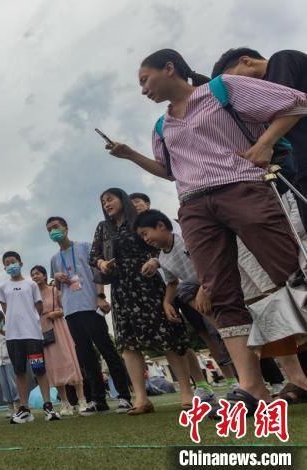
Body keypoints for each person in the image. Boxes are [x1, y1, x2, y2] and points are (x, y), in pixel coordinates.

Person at [105, 48, 307, 409]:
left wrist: (264, 144)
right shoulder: (161, 126)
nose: (143, 90)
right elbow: (169, 170)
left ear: (170, 68)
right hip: (194, 206)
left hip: (242, 187)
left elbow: (295, 102)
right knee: (223, 292)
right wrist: (131, 155)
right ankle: (252, 387)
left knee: (290, 272)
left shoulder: (222, 89)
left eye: (145, 79)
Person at [90, 188, 193, 414]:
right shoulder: (103, 227)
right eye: (103, 202)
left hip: (148, 282)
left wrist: (155, 261)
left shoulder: (139, 220)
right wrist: (102, 264)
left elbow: (161, 246)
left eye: (110, 199)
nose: (106, 204)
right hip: (120, 287)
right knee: (128, 343)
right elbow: (93, 256)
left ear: (122, 199)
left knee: (167, 335)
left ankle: (187, 392)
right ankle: (141, 398)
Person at [133, 209, 243, 403]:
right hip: (198, 293)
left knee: (229, 331)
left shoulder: (185, 239)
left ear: (161, 226)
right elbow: (173, 283)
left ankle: (244, 378)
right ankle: (238, 377)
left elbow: (208, 263)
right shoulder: (163, 257)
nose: (145, 239)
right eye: (142, 236)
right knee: (218, 333)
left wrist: (203, 290)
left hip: (217, 283)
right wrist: (167, 302)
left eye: (145, 233)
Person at [46, 216, 132, 415]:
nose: (53, 231)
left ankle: (124, 396)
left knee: (106, 349)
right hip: (70, 310)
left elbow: (97, 273)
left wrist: (101, 296)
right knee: (86, 356)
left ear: (66, 227)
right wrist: (57, 279)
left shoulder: (85, 246)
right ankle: (98, 399)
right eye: (49, 229)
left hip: (90, 305)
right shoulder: (54, 259)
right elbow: (57, 288)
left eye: (56, 227)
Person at [212, 47, 307, 226]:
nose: (234, 89)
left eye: (233, 80)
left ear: (246, 61)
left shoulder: (280, 60)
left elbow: (286, 103)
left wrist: (263, 144)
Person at [0, 251, 61, 424]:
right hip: (13, 336)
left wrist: (29, 320)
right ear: (4, 267)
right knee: (19, 371)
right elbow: (5, 309)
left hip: (32, 335)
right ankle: (24, 409)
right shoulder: (3, 288)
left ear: (21, 262)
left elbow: (39, 307)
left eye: (14, 262)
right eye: (8, 263)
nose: (11, 265)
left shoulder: (31, 285)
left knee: (39, 369)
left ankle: (48, 406)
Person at [30, 266, 87, 416]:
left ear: (44, 275)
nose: (35, 277)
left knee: (70, 361)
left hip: (59, 328)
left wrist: (56, 313)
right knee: (53, 367)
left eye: (37, 274)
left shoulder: (54, 290)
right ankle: (65, 402)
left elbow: (66, 307)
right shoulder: (32, 294)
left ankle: (82, 400)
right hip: (43, 332)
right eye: (33, 275)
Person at [0, 310, 19, 415]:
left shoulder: (9, 328)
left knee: (13, 384)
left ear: (3, 319)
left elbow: (13, 342)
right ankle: (10, 407)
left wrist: (4, 333)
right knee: (4, 386)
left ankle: (17, 406)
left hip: (9, 361)